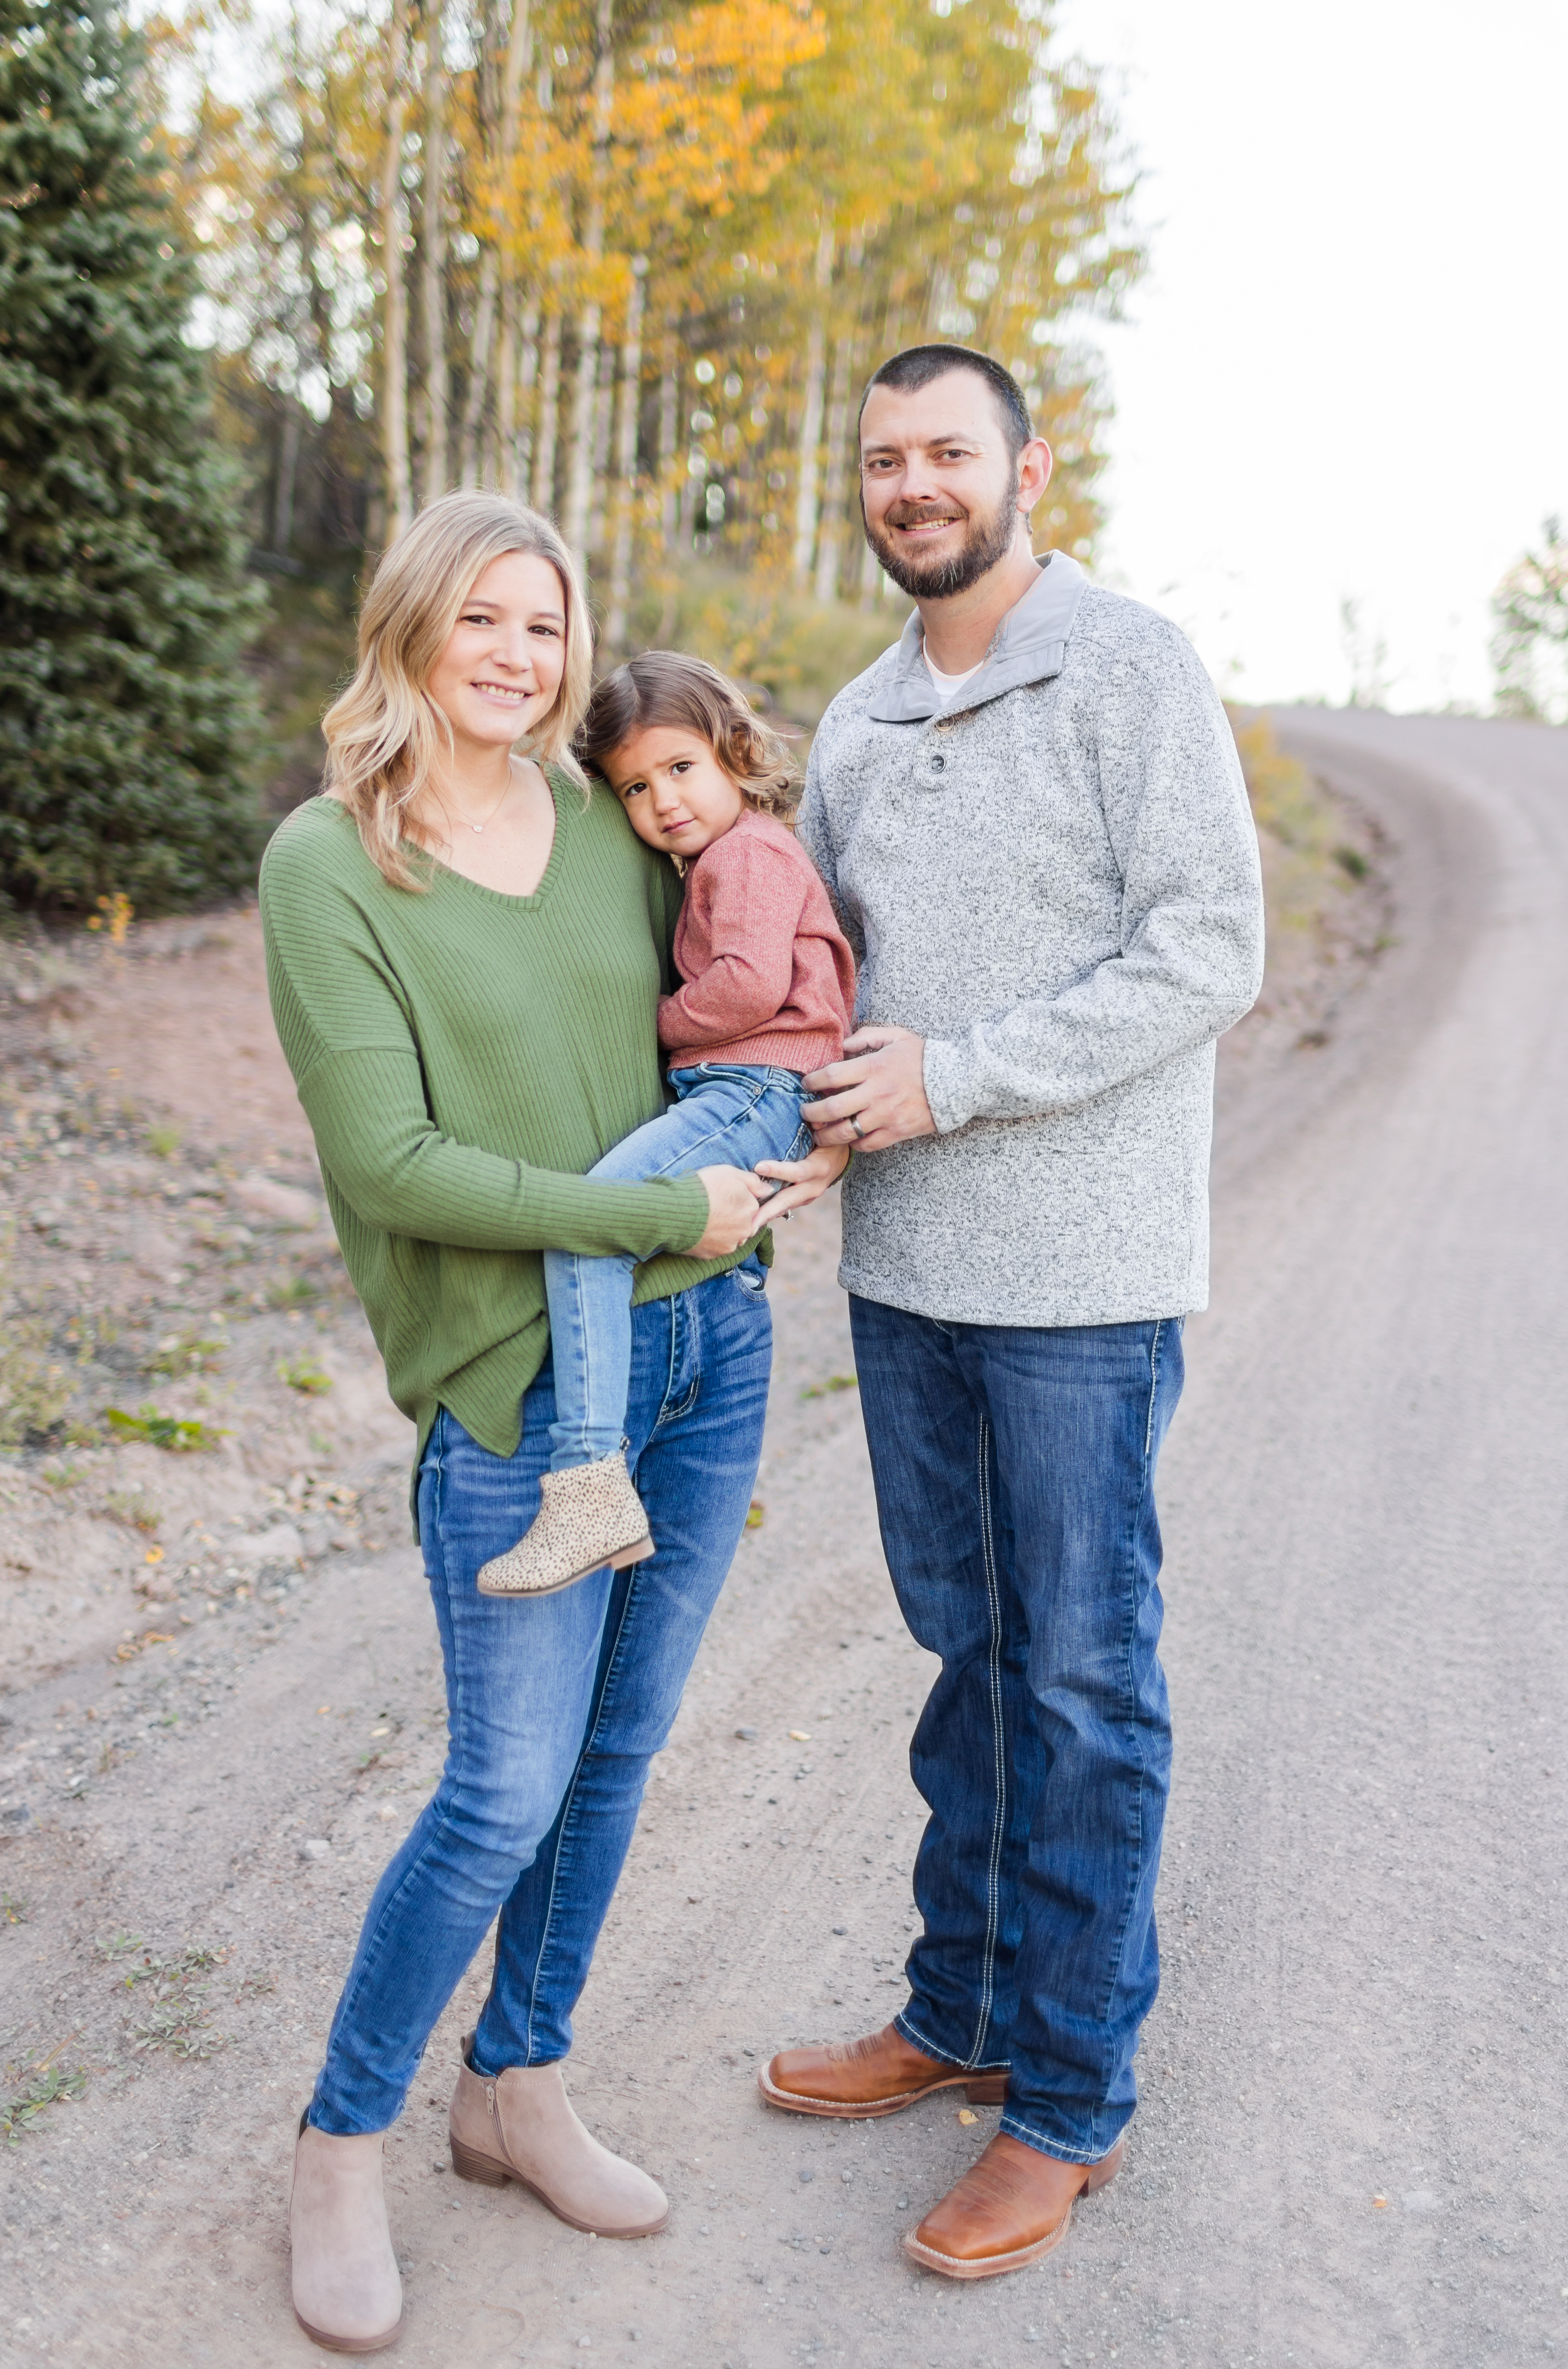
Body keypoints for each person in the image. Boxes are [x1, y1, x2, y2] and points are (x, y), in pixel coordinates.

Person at [258, 492, 842, 2353]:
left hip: (709, 1355)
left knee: (617, 1756)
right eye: (484, 619)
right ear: (411, 621)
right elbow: (394, 1163)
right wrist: (656, 1213)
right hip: (521, 1394)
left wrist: (787, 1138)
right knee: (500, 1786)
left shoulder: (617, 824)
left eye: (547, 625)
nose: (518, 656)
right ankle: (341, 2141)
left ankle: (515, 2082)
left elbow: (731, 1023)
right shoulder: (326, 867)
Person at [757, 345, 1264, 2281]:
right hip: (903, 1276)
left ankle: (1065, 2098)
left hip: (1080, 1284)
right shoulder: (860, 716)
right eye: (882, 458)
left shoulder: (1128, 666)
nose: (913, 485)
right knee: (968, 1654)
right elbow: (808, 970)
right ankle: (957, 2005)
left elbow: (1211, 941)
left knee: (1078, 1680)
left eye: (945, 452)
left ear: (1023, 469)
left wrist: (951, 1080)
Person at [478, 652, 856, 1597]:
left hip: (754, 1088)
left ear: (732, 751)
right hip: (743, 1089)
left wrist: (643, 1020)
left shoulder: (751, 853)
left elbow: (748, 985)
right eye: (636, 787)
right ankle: (601, 1477)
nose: (664, 802)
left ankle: (588, 1483)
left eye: (681, 769)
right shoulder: (715, 856)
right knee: (610, 1231)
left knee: (590, 1221)